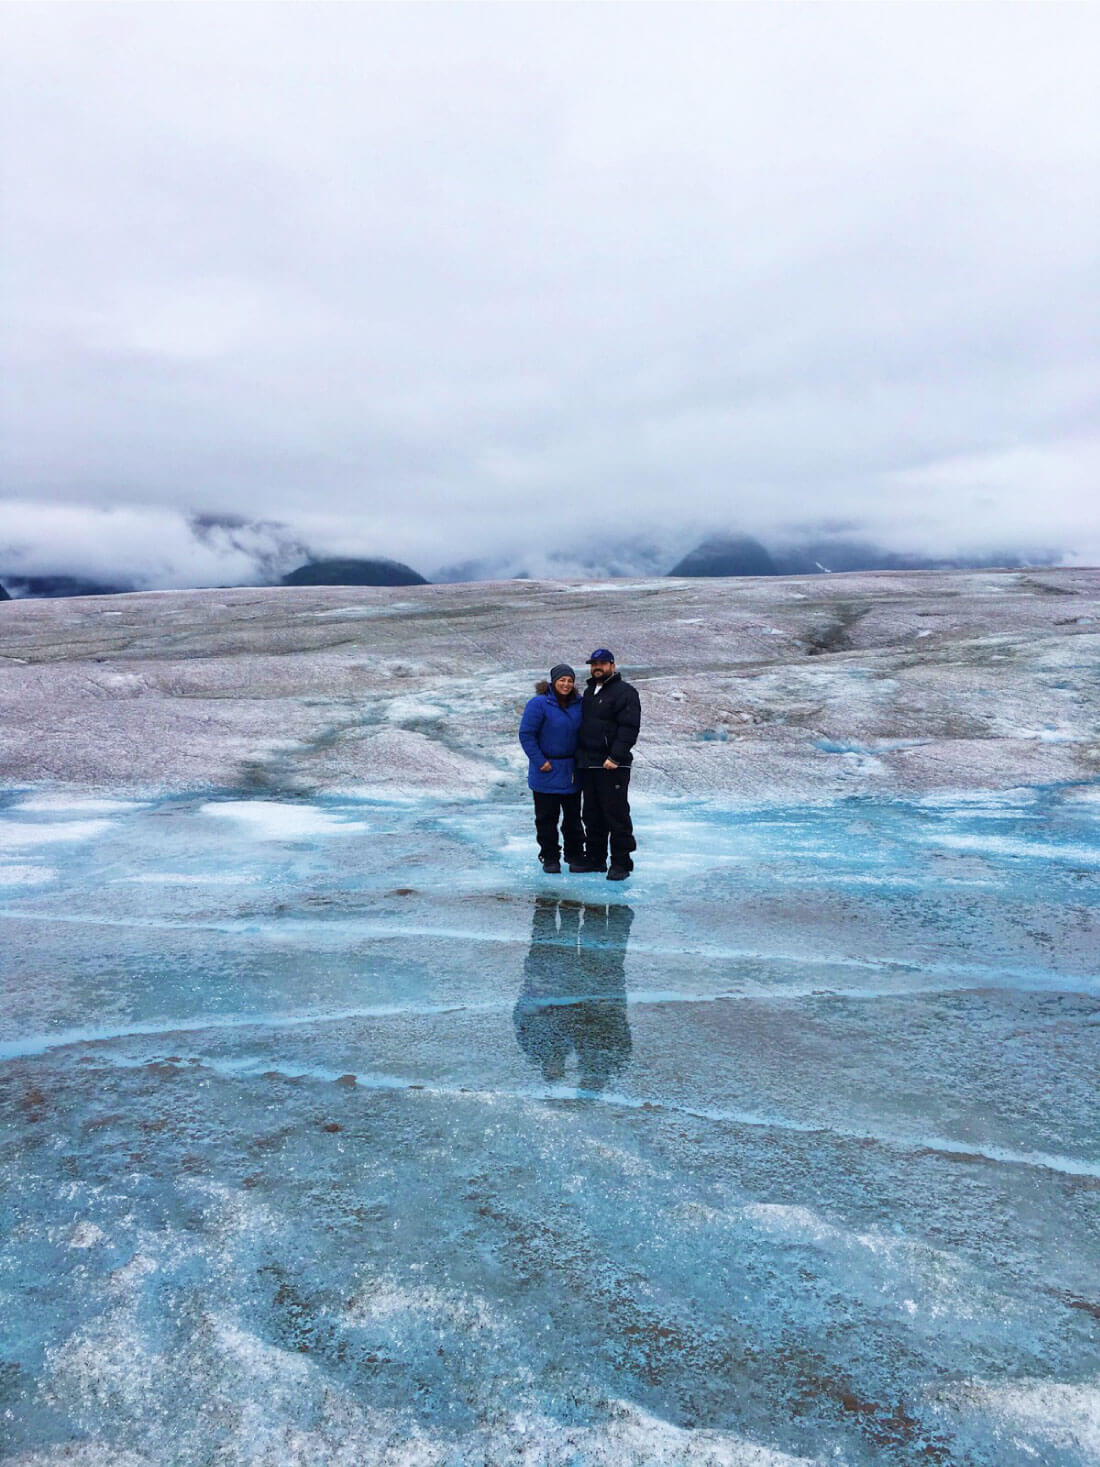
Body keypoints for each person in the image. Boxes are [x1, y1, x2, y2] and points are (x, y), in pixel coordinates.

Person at [572, 649, 641, 881]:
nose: (597, 667)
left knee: (616, 814)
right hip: (590, 764)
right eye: (594, 664)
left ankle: (621, 862)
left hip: (612, 765)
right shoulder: (590, 691)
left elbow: (629, 728)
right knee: (591, 814)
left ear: (612, 665)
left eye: (602, 663)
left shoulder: (625, 693)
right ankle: (595, 858)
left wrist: (616, 757)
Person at [518, 663, 584, 874]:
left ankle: (574, 855)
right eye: (562, 680)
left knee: (573, 818)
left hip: (571, 770)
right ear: (553, 682)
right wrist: (540, 761)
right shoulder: (539, 704)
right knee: (546, 818)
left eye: (569, 681)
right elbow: (527, 734)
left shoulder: (578, 704)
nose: (566, 684)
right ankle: (550, 857)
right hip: (545, 770)